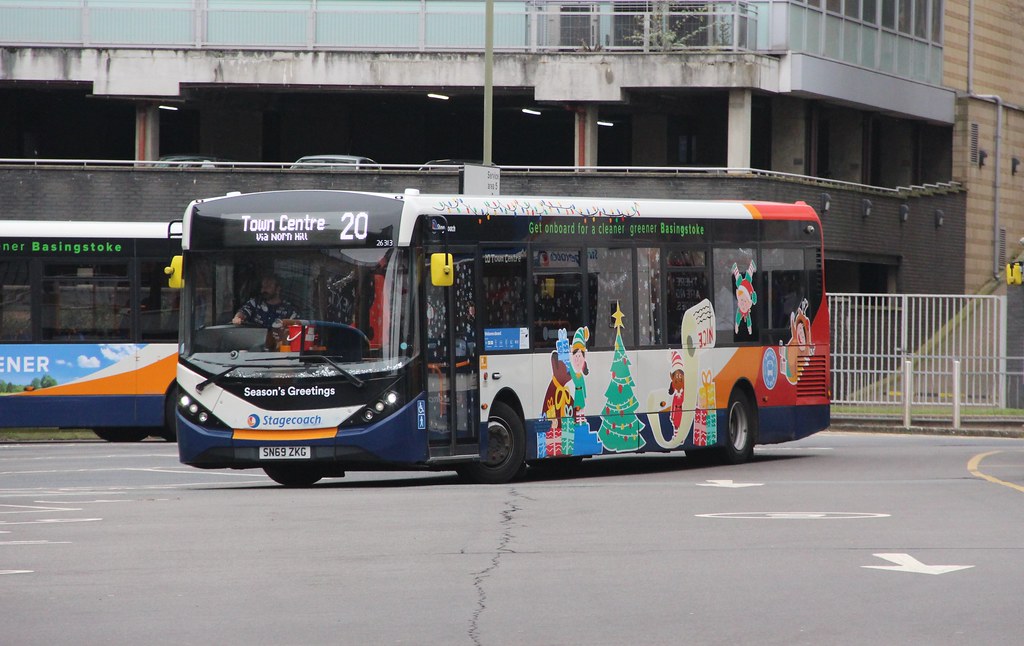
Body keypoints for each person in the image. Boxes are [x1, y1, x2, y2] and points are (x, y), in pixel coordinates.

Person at [232, 275, 300, 328]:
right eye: (263, 286)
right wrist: (237, 318)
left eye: (268, 286)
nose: (264, 290)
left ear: (278, 289)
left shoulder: (289, 309)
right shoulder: (255, 303)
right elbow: (243, 312)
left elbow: (296, 326)